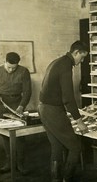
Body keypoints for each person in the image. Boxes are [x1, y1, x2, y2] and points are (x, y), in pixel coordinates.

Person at [38, 40, 89, 182]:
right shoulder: (66, 66)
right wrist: (79, 121)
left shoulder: (57, 62)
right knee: (75, 147)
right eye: (82, 57)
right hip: (52, 111)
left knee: (56, 145)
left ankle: (56, 179)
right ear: (76, 52)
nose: (82, 61)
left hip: (43, 108)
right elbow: (68, 97)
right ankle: (67, 178)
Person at [0, 52, 32, 174]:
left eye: (14, 68)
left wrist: (21, 106)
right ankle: (8, 163)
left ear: (18, 65)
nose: (10, 70)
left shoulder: (24, 71)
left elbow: (27, 91)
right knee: (4, 134)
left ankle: (20, 164)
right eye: (8, 67)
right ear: (5, 62)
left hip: (16, 104)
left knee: (19, 134)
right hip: (1, 104)